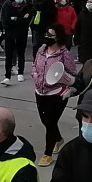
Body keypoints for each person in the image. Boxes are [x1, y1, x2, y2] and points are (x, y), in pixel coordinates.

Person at [30, 23, 79, 167]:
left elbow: (73, 73)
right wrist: (35, 75)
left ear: (58, 37)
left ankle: (48, 153)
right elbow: (35, 64)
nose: (47, 37)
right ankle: (58, 139)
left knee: (50, 122)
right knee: (46, 121)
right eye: (46, 34)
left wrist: (68, 85)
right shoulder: (41, 50)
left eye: (51, 35)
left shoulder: (65, 54)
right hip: (40, 91)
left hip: (57, 93)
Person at [0, 0, 32, 85]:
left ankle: (20, 72)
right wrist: (20, 19)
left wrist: (16, 19)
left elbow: (27, 20)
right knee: (9, 55)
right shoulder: (8, 5)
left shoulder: (27, 6)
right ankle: (7, 75)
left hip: (21, 33)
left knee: (21, 53)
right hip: (10, 33)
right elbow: (6, 20)